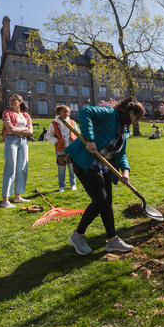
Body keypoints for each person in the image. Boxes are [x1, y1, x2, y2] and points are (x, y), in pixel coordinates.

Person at [65, 96, 145, 255]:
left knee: (107, 203)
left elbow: (120, 153)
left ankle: (112, 240)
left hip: (104, 165)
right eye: (137, 117)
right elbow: (84, 112)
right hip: (85, 161)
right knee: (100, 200)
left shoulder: (124, 129)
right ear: (130, 112)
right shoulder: (110, 113)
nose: (136, 122)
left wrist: (125, 170)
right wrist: (90, 139)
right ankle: (77, 235)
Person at [1, 94, 33, 208]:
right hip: (11, 141)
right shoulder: (7, 113)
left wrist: (24, 131)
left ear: (20, 101)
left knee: (23, 168)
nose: (11, 102)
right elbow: (11, 129)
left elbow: (31, 131)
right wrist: (25, 129)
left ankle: (17, 197)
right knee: (11, 168)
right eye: (10, 100)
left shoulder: (26, 115)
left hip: (23, 142)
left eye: (14, 100)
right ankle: (5, 201)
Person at [46, 105, 79, 192]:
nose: (66, 113)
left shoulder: (72, 122)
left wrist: (76, 143)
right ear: (59, 112)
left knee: (71, 167)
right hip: (60, 148)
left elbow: (77, 133)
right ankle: (61, 186)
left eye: (68, 112)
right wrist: (56, 141)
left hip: (71, 148)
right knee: (61, 167)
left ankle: (73, 184)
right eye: (64, 111)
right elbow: (49, 135)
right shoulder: (54, 123)